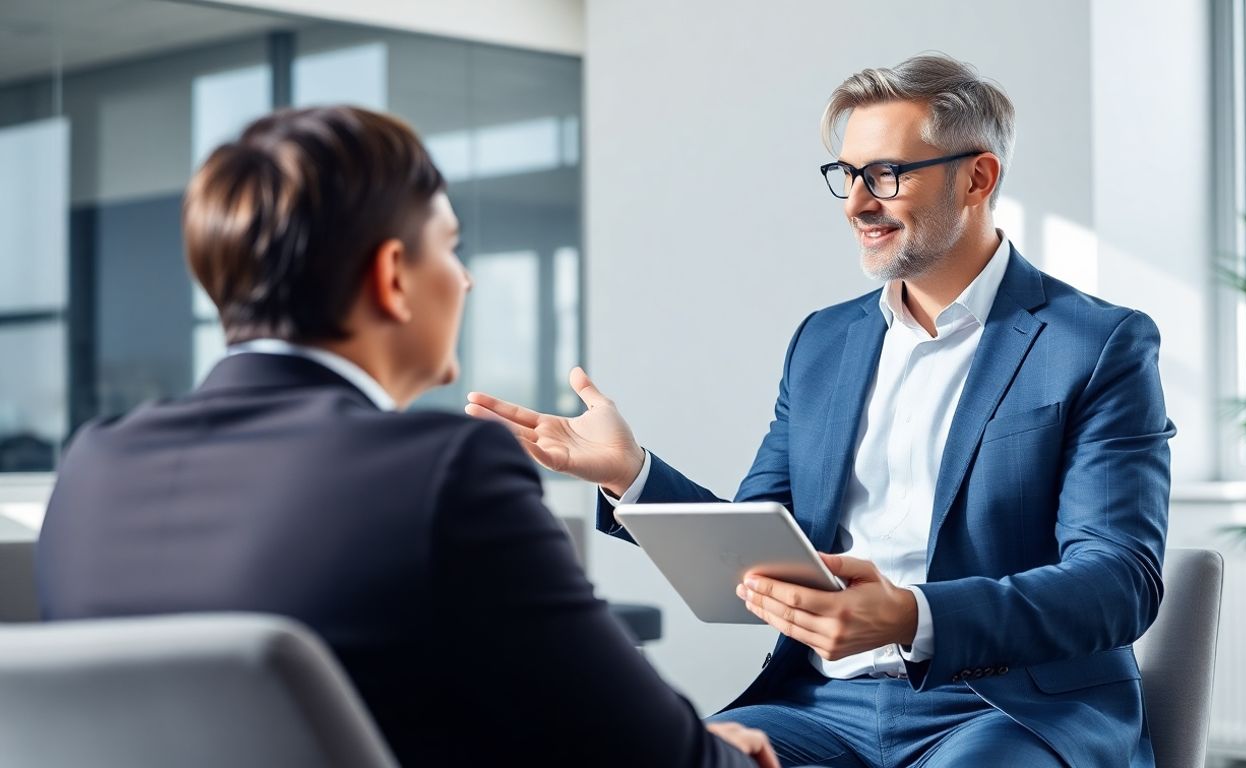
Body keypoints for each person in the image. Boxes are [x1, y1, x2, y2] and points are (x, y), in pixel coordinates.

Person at [466, 54, 1175, 768]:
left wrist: (913, 613)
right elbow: (765, 544)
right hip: (820, 704)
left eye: (886, 175)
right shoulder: (824, 343)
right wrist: (632, 474)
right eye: (847, 175)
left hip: (1008, 709)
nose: (856, 203)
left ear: (978, 178)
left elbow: (1119, 580)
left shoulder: (1095, 342)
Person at [37, 105, 777, 768]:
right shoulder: (441, 472)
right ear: (393, 276)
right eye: (451, 248)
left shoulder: (93, 466)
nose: (466, 280)